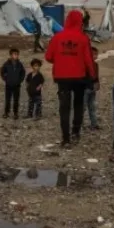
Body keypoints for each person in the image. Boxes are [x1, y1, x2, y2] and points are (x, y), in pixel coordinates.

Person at [45, 9, 95, 146]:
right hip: (79, 77)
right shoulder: (83, 38)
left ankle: (65, 139)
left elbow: (48, 57)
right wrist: (93, 77)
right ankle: (76, 132)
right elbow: (88, 60)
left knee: (64, 107)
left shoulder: (57, 37)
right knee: (78, 105)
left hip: (62, 78)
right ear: (80, 22)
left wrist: (61, 59)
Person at [0, 48, 25, 119]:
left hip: (17, 85)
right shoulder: (6, 64)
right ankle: (6, 112)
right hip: (8, 85)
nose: (16, 56)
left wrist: (20, 80)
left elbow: (23, 72)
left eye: (17, 54)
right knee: (8, 100)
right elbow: (2, 71)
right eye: (14, 54)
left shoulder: (20, 64)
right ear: (11, 55)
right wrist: (6, 79)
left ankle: (15, 113)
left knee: (16, 100)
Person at [85, 46, 101, 130]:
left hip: (92, 89)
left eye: (96, 54)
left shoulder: (95, 65)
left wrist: (97, 84)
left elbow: (96, 76)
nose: (95, 56)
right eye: (93, 54)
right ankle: (80, 125)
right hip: (86, 88)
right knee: (84, 107)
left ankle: (94, 124)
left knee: (92, 107)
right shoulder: (85, 65)